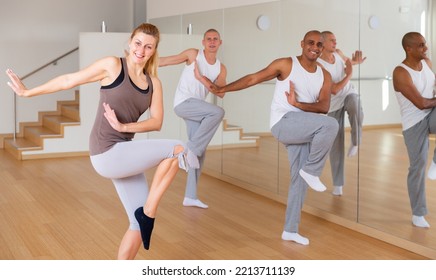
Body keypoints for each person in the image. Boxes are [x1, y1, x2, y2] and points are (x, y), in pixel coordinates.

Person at [5, 23, 198, 259]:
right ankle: (149, 213)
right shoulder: (113, 66)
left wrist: (124, 127)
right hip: (105, 151)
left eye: (148, 47)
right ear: (130, 42)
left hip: (124, 152)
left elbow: (156, 122)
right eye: (138, 43)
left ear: (154, 51)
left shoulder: (153, 83)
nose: (141, 50)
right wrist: (28, 92)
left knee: (136, 225)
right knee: (179, 148)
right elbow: (69, 79)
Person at [201, 30, 339, 245]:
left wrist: (298, 104)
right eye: (310, 42)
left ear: (323, 48)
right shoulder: (286, 64)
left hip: (303, 127)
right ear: (302, 43)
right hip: (283, 123)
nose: (315, 47)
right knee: (331, 124)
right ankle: (312, 170)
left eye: (319, 44)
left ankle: (290, 230)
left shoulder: (325, 75)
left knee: (299, 180)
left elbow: (324, 106)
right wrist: (222, 88)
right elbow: (253, 78)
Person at [159, 28, 227, 209]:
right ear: (203, 42)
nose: (212, 41)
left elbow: (220, 93)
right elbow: (166, 61)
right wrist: (138, 61)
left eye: (215, 39)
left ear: (220, 43)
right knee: (218, 113)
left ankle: (190, 196)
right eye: (208, 39)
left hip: (198, 109)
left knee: (199, 153)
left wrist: (200, 77)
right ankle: (189, 149)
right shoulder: (193, 54)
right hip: (183, 103)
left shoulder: (221, 68)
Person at [393, 31, 436, 228]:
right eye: (420, 45)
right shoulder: (400, 72)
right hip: (413, 124)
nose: (425, 48)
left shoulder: (427, 63)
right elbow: (421, 103)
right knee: (417, 168)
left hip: (431, 114)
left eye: (425, 44)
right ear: (408, 48)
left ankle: (435, 162)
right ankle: (418, 213)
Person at [317, 31, 365, 196]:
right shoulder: (319, 66)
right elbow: (335, 89)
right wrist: (350, 74)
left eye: (335, 40)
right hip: (332, 105)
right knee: (336, 145)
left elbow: (348, 63)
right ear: (322, 44)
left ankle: (356, 140)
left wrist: (355, 62)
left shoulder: (338, 53)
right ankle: (338, 184)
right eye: (332, 40)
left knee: (355, 105)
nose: (335, 43)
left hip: (348, 94)